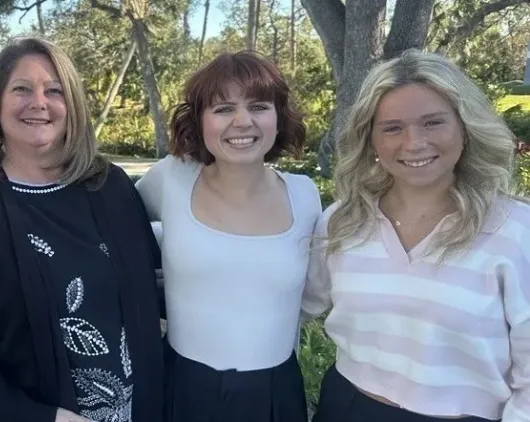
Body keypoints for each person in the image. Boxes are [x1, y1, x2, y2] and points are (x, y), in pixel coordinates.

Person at [0, 37, 164, 422]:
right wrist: (41, 417)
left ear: (72, 106)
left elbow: (154, 288)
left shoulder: (110, 186)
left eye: (54, 90)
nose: (39, 102)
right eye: (22, 89)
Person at [302, 49, 530, 422]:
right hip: (346, 407)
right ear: (370, 139)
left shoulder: (516, 231)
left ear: (464, 127)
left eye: (432, 123)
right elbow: (294, 303)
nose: (414, 143)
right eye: (392, 128)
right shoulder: (343, 221)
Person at [135, 51, 317, 422]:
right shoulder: (171, 178)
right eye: (222, 109)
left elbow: (318, 290)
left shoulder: (305, 195)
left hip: (274, 392)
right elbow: (117, 233)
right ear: (199, 120)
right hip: (182, 385)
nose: (242, 121)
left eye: (259, 106)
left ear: (279, 117)